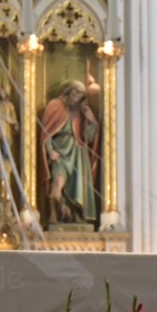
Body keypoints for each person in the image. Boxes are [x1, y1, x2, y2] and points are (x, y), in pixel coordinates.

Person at [40, 81, 100, 223]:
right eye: (75, 92)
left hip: (77, 154)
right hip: (60, 151)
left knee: (77, 187)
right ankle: (55, 213)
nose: (77, 97)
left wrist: (92, 122)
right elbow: (46, 133)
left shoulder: (80, 112)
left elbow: (89, 138)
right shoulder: (55, 105)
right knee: (57, 183)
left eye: (80, 95)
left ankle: (73, 212)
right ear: (68, 91)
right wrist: (49, 151)